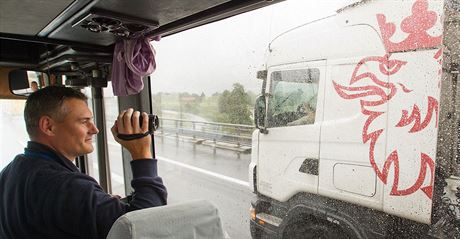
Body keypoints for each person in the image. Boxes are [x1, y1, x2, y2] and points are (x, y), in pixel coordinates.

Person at [0, 86, 167, 239]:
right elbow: (148, 226)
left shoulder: (10, 171)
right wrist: (141, 152)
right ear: (48, 126)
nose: (95, 129)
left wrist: (96, 201)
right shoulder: (66, 186)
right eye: (84, 121)